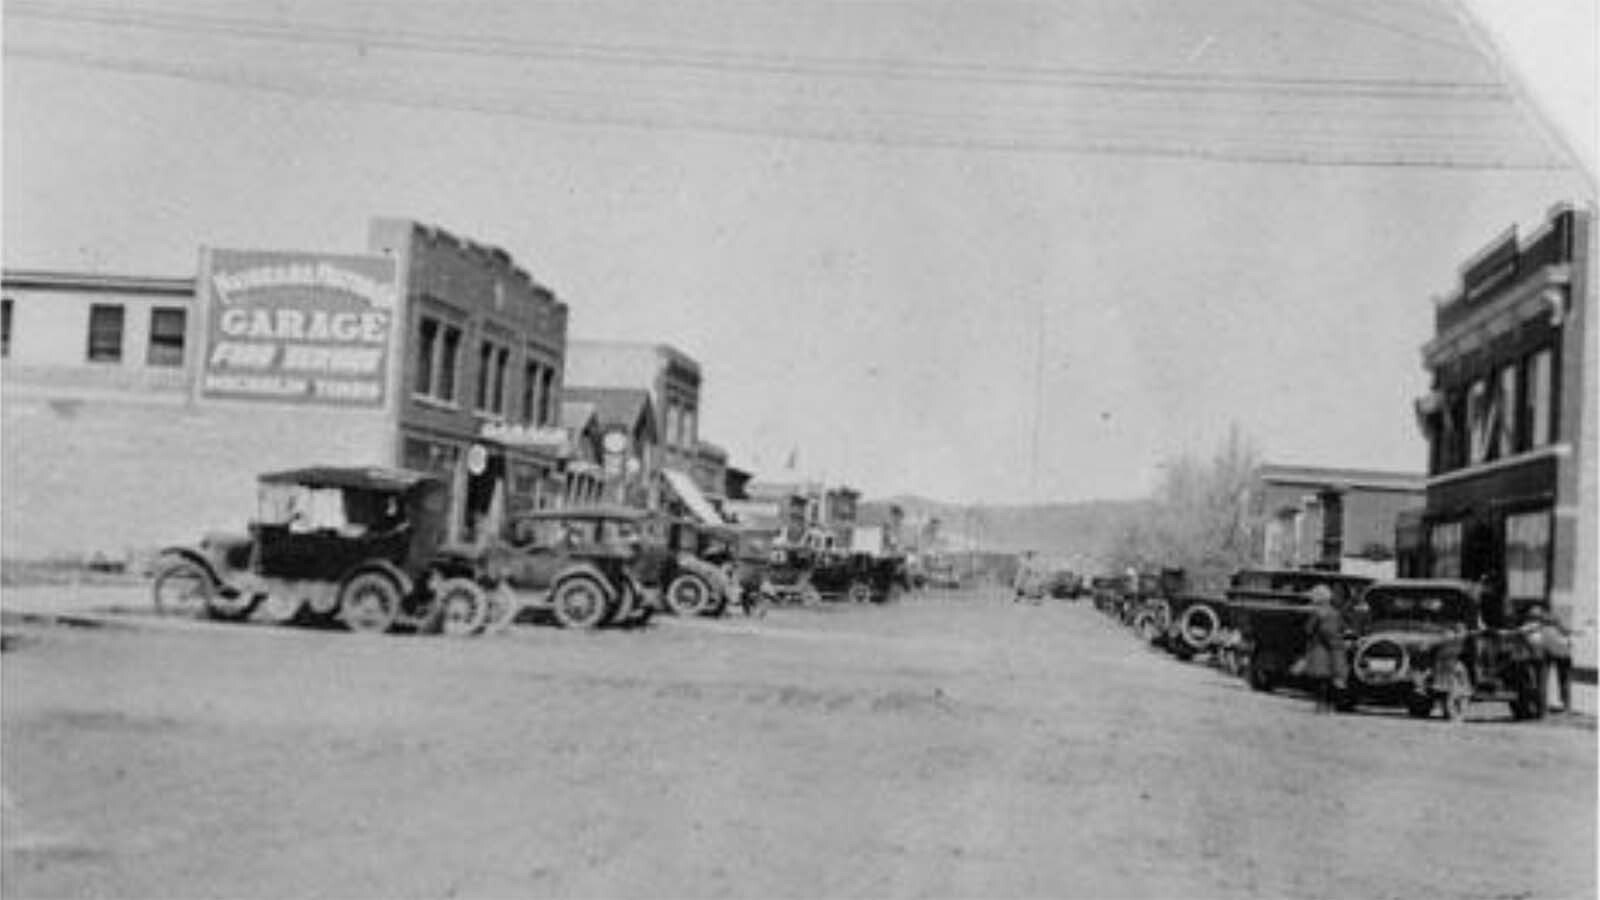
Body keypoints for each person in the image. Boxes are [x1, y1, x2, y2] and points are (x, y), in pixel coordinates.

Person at [1302, 584, 1347, 713]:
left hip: (1319, 649)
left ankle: (1320, 705)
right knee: (1331, 679)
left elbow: (1308, 629)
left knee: (1320, 680)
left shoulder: (1317, 613)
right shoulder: (1335, 612)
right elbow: (1342, 628)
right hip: (1335, 649)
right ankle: (1330, 705)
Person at [1523, 605, 1574, 714]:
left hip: (1547, 651)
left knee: (1542, 681)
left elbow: (1525, 634)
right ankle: (1566, 706)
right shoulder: (1555, 622)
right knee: (1563, 679)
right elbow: (1566, 632)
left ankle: (1542, 709)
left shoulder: (1534, 625)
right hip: (1562, 651)